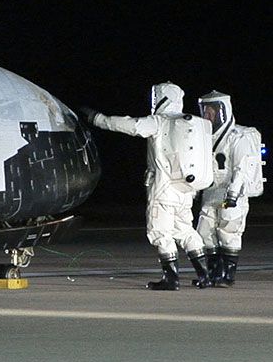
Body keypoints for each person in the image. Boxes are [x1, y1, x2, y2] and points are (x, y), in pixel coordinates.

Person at [79, 82, 212, 290]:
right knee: (185, 230)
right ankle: (205, 275)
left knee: (159, 232)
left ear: (161, 98)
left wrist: (99, 119)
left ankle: (171, 279)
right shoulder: (186, 124)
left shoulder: (159, 121)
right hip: (185, 191)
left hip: (163, 190)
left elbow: (131, 125)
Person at [196, 90, 258, 287]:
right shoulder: (205, 137)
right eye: (205, 110)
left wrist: (233, 194)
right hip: (210, 191)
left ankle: (228, 275)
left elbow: (242, 168)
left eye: (211, 110)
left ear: (222, 110)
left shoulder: (238, 137)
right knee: (204, 231)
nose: (207, 114)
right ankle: (215, 273)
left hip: (232, 192)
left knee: (228, 232)